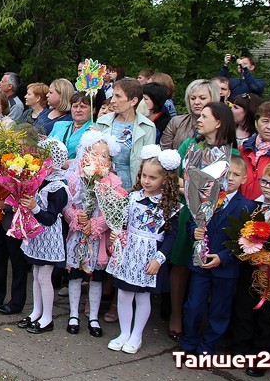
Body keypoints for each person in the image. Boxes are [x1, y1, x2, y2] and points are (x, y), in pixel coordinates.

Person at [168, 101, 238, 340]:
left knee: (205, 270)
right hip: (187, 211)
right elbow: (175, 177)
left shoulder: (232, 154)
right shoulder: (190, 146)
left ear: (218, 122)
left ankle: (204, 329)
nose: (198, 119)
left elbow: (226, 187)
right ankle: (177, 316)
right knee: (180, 263)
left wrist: (199, 191)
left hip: (216, 218)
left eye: (204, 116)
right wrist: (190, 189)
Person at [107, 146, 181, 354]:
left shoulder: (169, 205)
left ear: (165, 180)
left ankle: (136, 334)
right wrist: (117, 234)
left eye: (153, 178)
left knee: (142, 296)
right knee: (123, 293)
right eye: (144, 176)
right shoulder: (132, 197)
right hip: (128, 252)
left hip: (149, 254)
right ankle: (123, 332)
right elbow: (122, 223)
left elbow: (172, 235)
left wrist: (159, 258)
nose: (147, 181)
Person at [181, 155, 255, 355]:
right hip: (201, 263)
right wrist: (193, 231)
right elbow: (192, 221)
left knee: (219, 310)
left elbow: (247, 241)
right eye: (227, 173)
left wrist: (223, 256)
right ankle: (189, 342)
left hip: (225, 267)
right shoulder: (206, 197)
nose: (230, 178)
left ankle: (208, 347)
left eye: (236, 175)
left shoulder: (247, 206)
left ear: (244, 179)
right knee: (194, 305)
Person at [231, 161, 270, 377]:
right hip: (249, 269)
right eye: (265, 181)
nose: (268, 186)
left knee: (269, 315)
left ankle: (260, 357)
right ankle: (240, 350)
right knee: (243, 308)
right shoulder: (252, 205)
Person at [63, 131, 120, 337]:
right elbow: (67, 206)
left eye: (103, 156)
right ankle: (73, 315)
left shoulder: (113, 182)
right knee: (76, 274)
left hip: (97, 239)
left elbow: (113, 212)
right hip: (79, 236)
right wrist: (77, 218)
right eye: (94, 154)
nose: (98, 159)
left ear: (110, 160)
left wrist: (95, 224)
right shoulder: (75, 178)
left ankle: (94, 316)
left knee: (96, 277)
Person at [18, 138, 69, 333]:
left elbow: (50, 218)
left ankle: (47, 317)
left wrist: (34, 207)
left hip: (48, 236)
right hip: (36, 234)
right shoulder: (40, 180)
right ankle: (36, 311)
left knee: (44, 276)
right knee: (37, 274)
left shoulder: (58, 187)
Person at [95, 78, 156, 191]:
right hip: (102, 184)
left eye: (118, 96)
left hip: (131, 186)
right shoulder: (102, 122)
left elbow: (149, 163)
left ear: (133, 101)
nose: (112, 100)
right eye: (113, 95)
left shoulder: (147, 127)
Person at [160, 79, 219, 150]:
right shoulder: (176, 122)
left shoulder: (223, 123)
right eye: (193, 98)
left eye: (202, 98)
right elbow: (163, 150)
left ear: (214, 99)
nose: (196, 102)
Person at [51, 92, 94, 160]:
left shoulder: (95, 130)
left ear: (93, 110)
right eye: (75, 106)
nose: (78, 110)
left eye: (83, 107)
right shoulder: (59, 125)